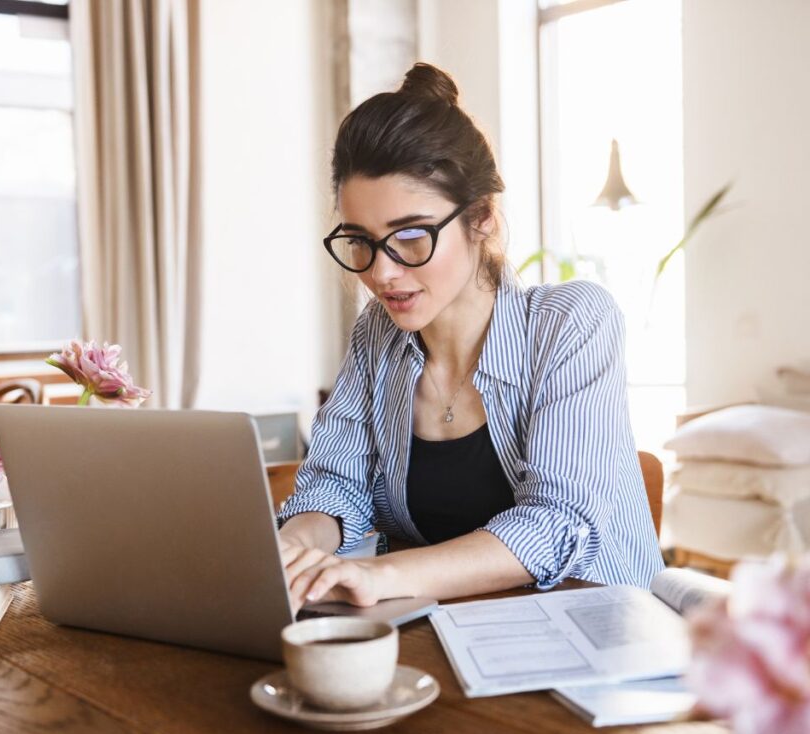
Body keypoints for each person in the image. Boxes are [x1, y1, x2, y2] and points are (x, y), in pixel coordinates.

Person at [278, 62, 664, 610]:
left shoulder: (572, 323)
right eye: (360, 240)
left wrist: (380, 575)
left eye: (410, 236)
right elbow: (334, 485)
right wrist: (293, 545)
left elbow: (556, 523)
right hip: (453, 640)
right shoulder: (377, 337)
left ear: (482, 218)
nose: (381, 273)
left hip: (594, 638)